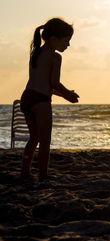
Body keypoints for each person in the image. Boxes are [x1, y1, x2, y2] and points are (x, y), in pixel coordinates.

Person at [20, 18, 79, 181]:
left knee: (34, 138)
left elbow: (45, 86)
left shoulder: (37, 52)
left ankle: (25, 171)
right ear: (54, 39)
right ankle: (43, 175)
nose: (68, 45)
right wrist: (69, 93)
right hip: (41, 102)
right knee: (45, 141)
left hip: (27, 98)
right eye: (66, 41)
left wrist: (65, 96)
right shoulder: (55, 57)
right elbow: (54, 83)